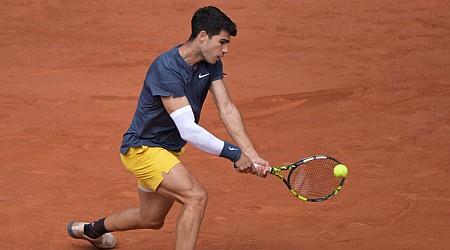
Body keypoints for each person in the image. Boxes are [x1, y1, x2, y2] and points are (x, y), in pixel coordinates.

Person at [67, 6, 270, 249]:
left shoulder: (210, 62)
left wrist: (253, 155)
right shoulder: (167, 68)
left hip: (166, 150)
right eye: (222, 42)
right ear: (203, 36)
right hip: (143, 149)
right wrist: (235, 154)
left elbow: (226, 108)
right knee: (196, 197)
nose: (225, 50)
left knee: (151, 218)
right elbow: (188, 130)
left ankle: (91, 230)